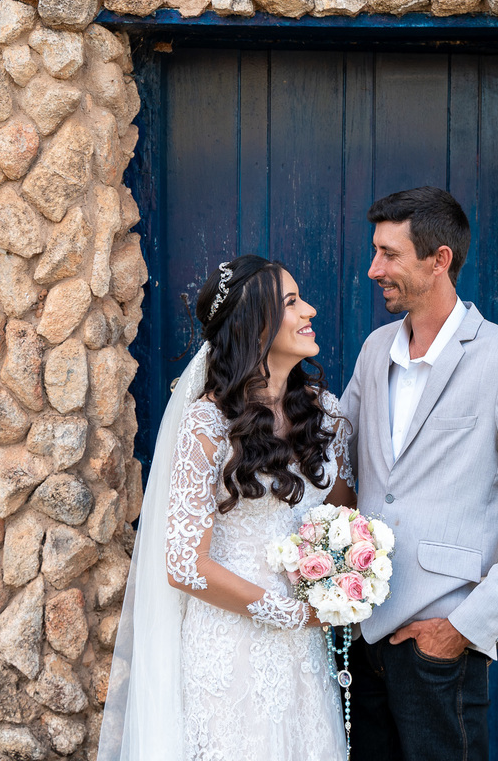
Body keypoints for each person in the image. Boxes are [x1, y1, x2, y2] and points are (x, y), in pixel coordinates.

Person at [340, 186, 498, 760]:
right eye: (375, 252)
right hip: (360, 638)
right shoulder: (376, 351)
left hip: (439, 647)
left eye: (390, 254)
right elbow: (335, 452)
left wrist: (463, 629)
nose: (374, 268)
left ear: (439, 259)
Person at [97, 255, 354, 761]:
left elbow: (344, 517)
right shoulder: (206, 426)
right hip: (232, 642)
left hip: (306, 648)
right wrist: (286, 612)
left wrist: (345, 577)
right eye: (292, 302)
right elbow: (184, 564)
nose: (311, 310)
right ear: (255, 323)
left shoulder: (326, 413)